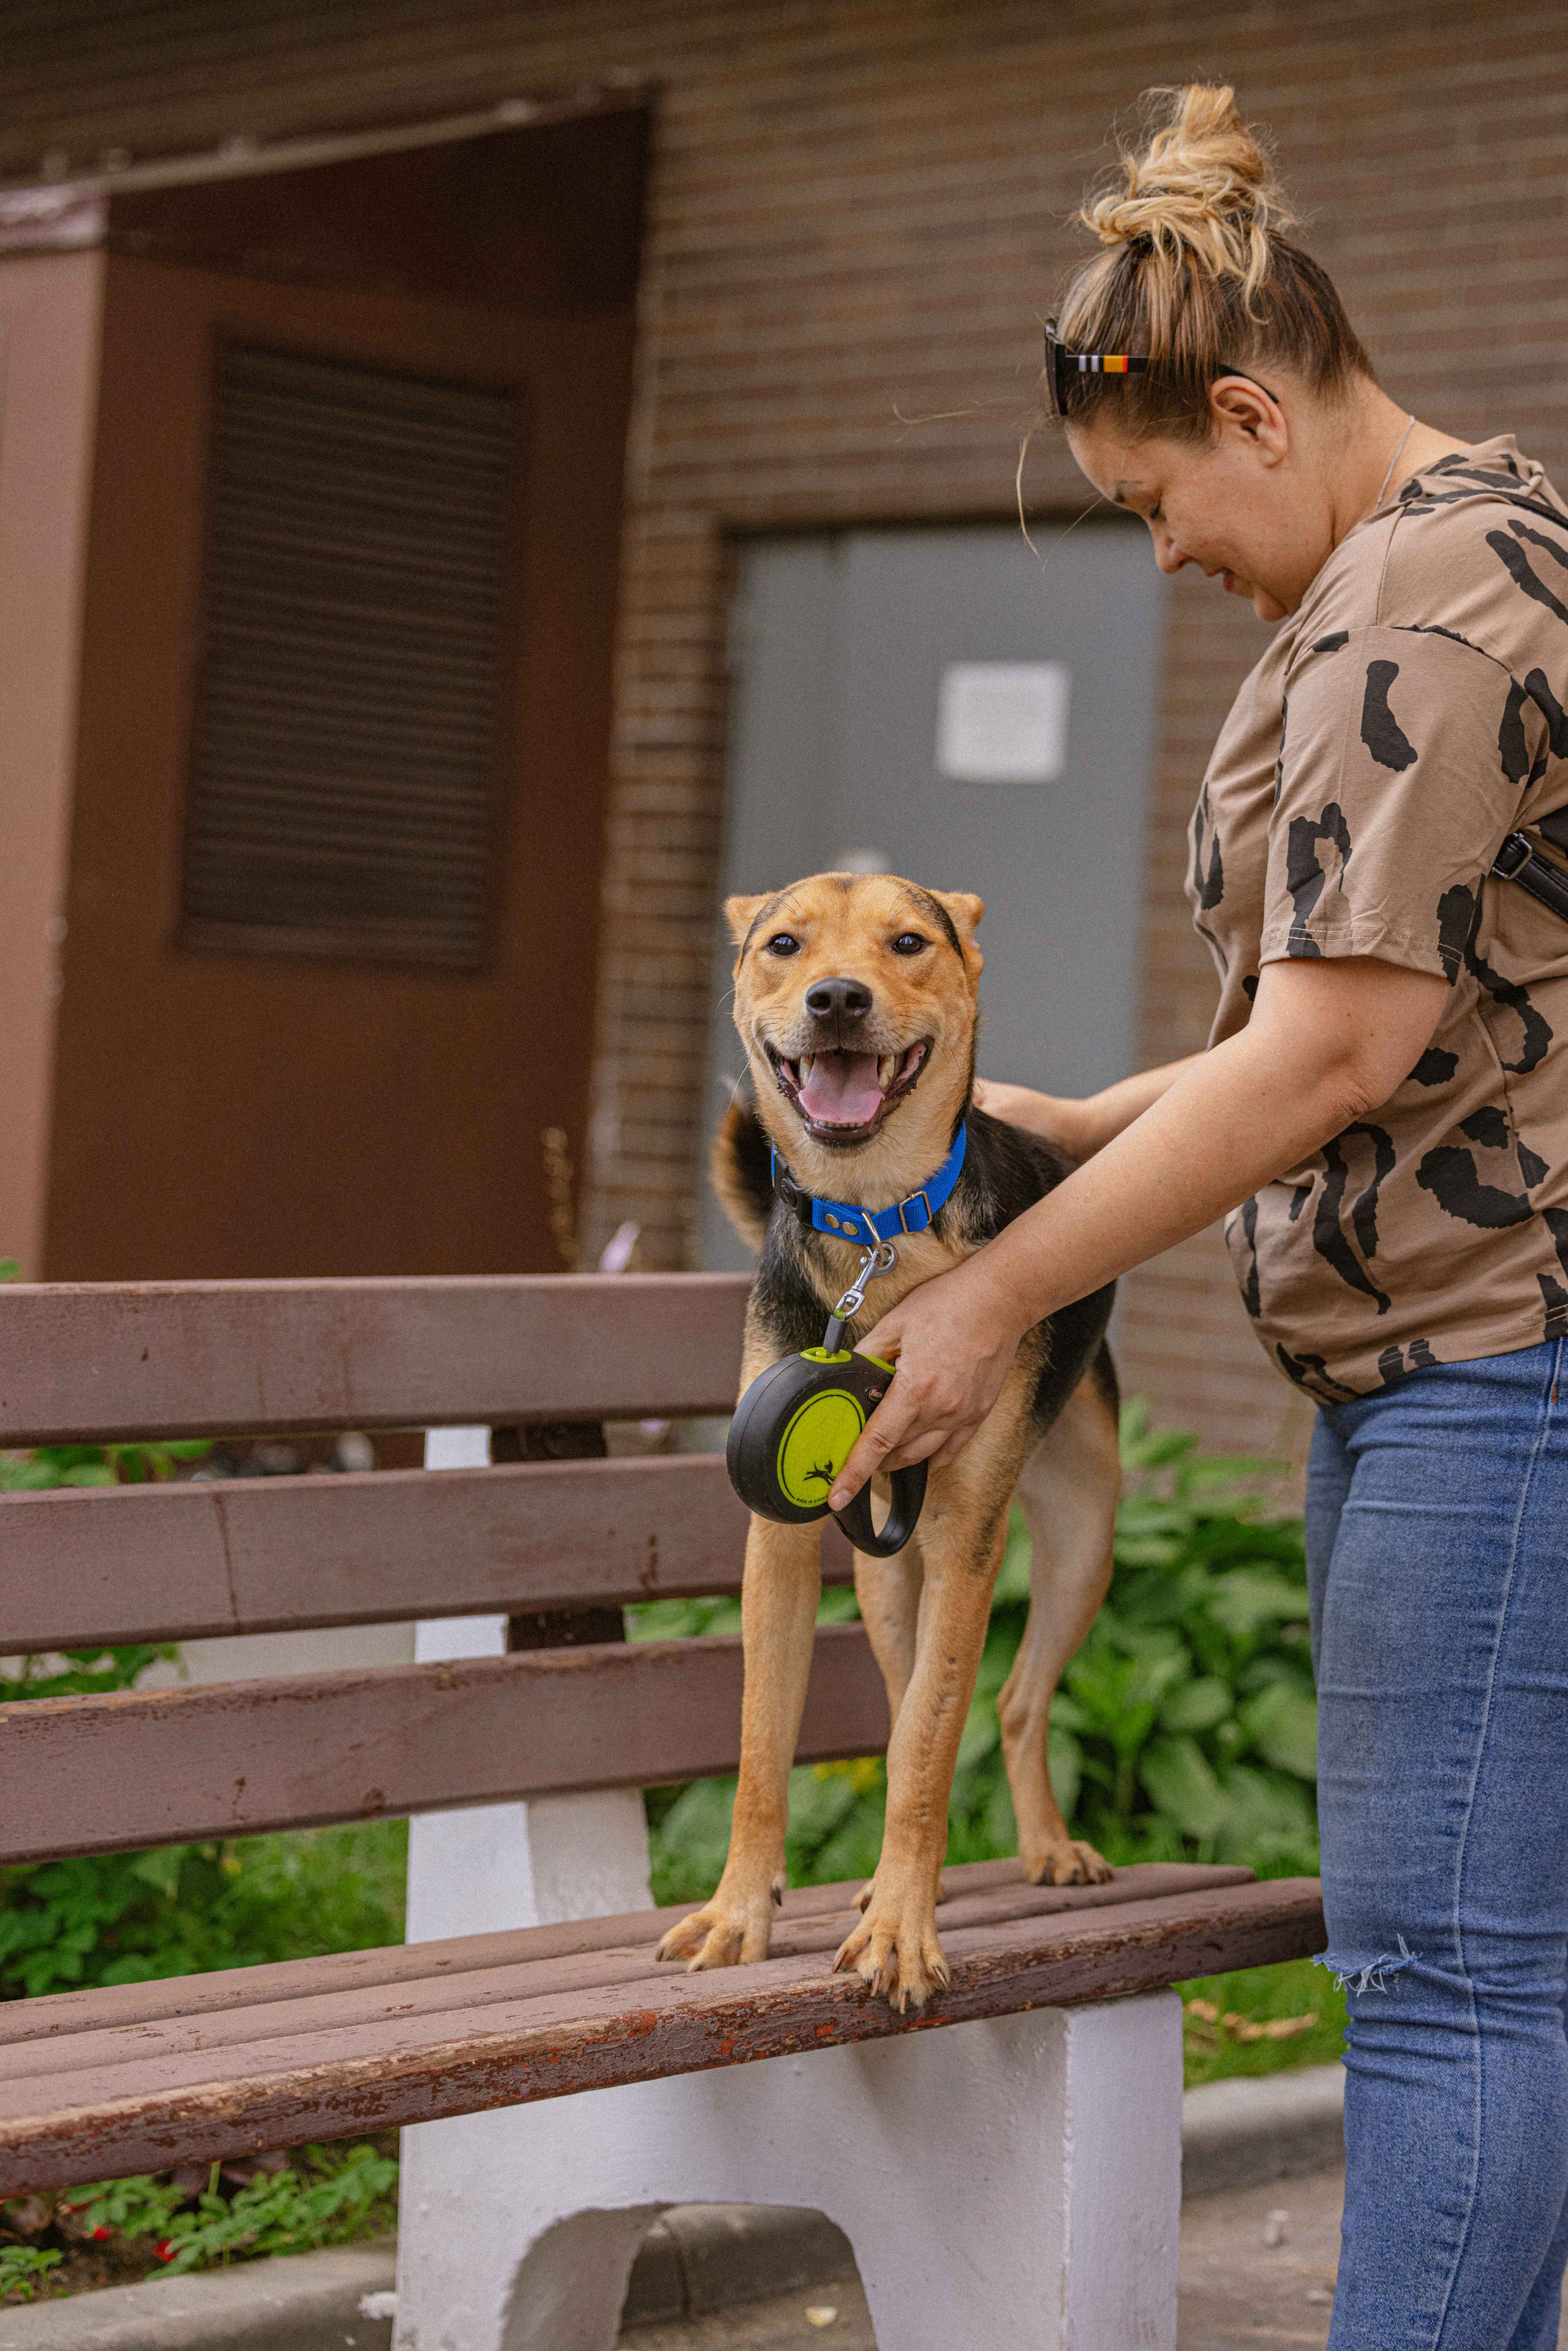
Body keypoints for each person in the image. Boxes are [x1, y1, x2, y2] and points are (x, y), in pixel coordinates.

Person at [826, 82, 1568, 2351]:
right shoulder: (1437, 557)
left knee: (1447, 1989)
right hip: (1440, 1364)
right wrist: (1063, 1123)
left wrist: (993, 1306)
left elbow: (1334, 1062)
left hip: (1501, 1365)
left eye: (1154, 497)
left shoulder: (1424, 609)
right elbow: (1370, 1025)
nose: (1156, 550)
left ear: (1250, 408)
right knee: (1482, 1974)